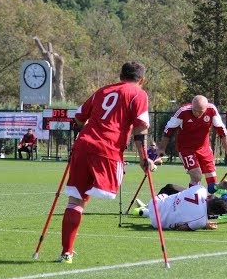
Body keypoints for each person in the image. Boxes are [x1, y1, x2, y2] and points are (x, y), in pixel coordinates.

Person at [57, 61, 156, 264]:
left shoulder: (103, 90)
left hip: (83, 146)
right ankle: (67, 250)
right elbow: (140, 127)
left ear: (120, 76)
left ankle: (66, 252)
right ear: (142, 80)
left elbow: (78, 117)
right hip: (107, 150)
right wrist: (143, 157)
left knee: (75, 201)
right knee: (113, 182)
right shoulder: (139, 94)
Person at [157, 95, 227, 193]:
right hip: (186, 149)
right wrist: (161, 148)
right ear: (191, 106)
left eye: (200, 111)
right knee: (197, 176)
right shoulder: (182, 112)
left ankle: (211, 193)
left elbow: (221, 130)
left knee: (212, 186)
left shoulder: (212, 110)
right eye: (195, 110)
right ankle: (191, 199)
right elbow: (168, 130)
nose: (197, 113)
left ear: (205, 109)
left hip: (205, 148)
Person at [138, 185, 227, 230]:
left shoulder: (201, 189)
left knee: (172, 190)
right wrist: (203, 225)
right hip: (157, 223)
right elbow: (181, 228)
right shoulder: (201, 221)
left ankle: (146, 210)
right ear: (214, 213)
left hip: (154, 203)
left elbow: (182, 190)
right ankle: (147, 212)